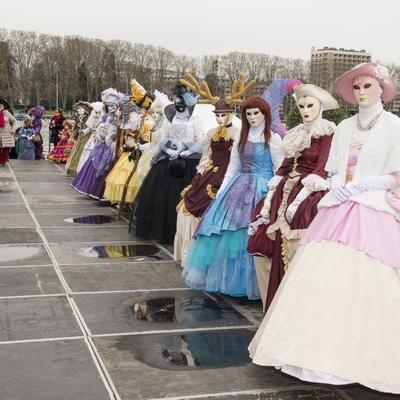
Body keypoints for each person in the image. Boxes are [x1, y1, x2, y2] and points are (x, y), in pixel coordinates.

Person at [249, 63, 400, 394]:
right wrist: (335, 184)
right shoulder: (344, 127)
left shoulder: (393, 126)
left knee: (370, 276)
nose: (361, 92)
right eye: (356, 87)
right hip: (337, 203)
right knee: (321, 271)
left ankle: (363, 355)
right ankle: (313, 351)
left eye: (367, 86)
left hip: (373, 203)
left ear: (382, 89)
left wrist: (360, 186)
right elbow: (332, 168)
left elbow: (396, 174)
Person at [247, 84, 338, 311]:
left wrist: (300, 196)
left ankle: (299, 308)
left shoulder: (327, 132)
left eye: (310, 105)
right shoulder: (296, 132)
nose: (305, 110)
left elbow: (323, 166)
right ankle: (275, 303)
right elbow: (287, 164)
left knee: (299, 243)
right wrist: (276, 181)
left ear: (320, 106)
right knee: (266, 238)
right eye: (301, 106)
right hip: (285, 190)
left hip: (311, 191)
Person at [183, 96, 284, 300]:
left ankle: (255, 283)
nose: (253, 117)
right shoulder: (241, 137)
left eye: (257, 113)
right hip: (237, 186)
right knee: (229, 233)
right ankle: (230, 280)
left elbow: (279, 168)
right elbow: (233, 166)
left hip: (262, 189)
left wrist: (273, 195)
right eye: (248, 113)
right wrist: (222, 192)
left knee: (251, 233)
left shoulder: (273, 139)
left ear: (265, 114)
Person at [133, 80, 204, 243]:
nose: (179, 106)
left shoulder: (195, 120)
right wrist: (168, 149)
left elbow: (200, 139)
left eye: (182, 103)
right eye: (176, 102)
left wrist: (187, 150)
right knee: (162, 197)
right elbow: (163, 138)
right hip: (167, 162)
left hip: (188, 162)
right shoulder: (169, 119)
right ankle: (163, 230)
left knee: (183, 196)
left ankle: (181, 233)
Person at [174, 99, 238, 266]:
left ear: (231, 114)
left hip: (228, 176)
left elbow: (238, 161)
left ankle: (213, 260)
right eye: (217, 115)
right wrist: (199, 174)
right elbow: (206, 156)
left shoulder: (238, 134)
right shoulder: (211, 133)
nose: (220, 118)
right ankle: (191, 254)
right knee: (188, 206)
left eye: (223, 115)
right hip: (210, 173)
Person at [72, 88, 124, 199]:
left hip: (111, 145)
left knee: (106, 165)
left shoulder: (117, 118)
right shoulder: (105, 116)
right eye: (109, 106)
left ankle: (102, 192)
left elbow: (118, 131)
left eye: (112, 106)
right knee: (94, 162)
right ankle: (91, 188)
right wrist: (100, 134)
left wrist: (110, 136)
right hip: (101, 143)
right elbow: (96, 127)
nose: (110, 108)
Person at [76, 102, 105, 174]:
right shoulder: (93, 116)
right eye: (96, 112)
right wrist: (83, 131)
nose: (97, 114)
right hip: (92, 138)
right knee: (87, 153)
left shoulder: (104, 118)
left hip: (100, 139)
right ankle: (84, 172)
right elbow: (89, 128)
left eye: (98, 112)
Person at [65, 101, 92, 176]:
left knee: (83, 151)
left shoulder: (90, 117)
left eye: (79, 110)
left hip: (88, 136)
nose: (77, 112)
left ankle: (82, 170)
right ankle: (74, 168)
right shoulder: (79, 118)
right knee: (77, 151)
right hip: (80, 136)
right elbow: (76, 128)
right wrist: (71, 137)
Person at [0, 97, 16, 166]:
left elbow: (14, 121)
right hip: (0, 133)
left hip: (7, 133)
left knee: (6, 148)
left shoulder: (7, 112)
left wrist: (13, 130)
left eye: (1, 105)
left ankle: (3, 161)